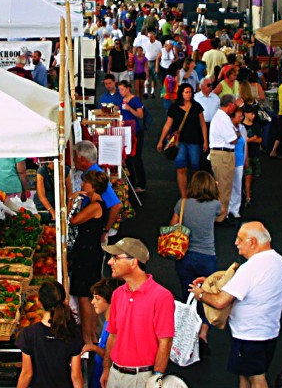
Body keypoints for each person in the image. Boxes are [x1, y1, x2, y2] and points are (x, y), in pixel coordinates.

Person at [191, 222, 282, 386]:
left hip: (249, 335)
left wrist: (200, 294)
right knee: (244, 375)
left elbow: (220, 301)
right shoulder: (278, 261)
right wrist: (210, 281)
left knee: (257, 378)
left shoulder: (250, 268)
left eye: (240, 239)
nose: (236, 243)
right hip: (268, 331)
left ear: (253, 242)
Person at [101, 238, 175, 388]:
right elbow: (112, 335)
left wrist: (156, 379)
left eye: (115, 257)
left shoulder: (162, 296)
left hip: (142, 379)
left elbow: (165, 343)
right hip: (115, 374)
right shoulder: (117, 294)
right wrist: (107, 369)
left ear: (133, 262)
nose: (110, 262)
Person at [169, 171, 222, 349]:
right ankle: (204, 332)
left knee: (188, 295)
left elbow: (172, 225)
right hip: (207, 257)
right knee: (208, 295)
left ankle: (189, 332)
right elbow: (222, 213)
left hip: (185, 256)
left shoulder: (182, 203)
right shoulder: (214, 205)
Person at [15, 280, 84, 388]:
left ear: (39, 302)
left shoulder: (28, 334)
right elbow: (76, 375)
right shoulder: (72, 333)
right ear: (64, 301)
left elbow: (27, 374)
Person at [69, 171, 111, 345]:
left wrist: (72, 198)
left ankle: (87, 336)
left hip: (86, 254)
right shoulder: (99, 204)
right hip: (91, 252)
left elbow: (73, 220)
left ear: (93, 187)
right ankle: (92, 335)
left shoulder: (94, 206)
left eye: (85, 182)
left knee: (84, 296)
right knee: (90, 294)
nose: (82, 184)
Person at [157, 83, 209, 199]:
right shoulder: (174, 108)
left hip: (195, 141)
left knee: (195, 168)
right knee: (181, 167)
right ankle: (184, 195)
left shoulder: (196, 107)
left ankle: (195, 191)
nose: (189, 94)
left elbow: (202, 124)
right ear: (181, 93)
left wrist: (205, 140)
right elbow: (167, 125)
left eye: (190, 92)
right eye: (186, 92)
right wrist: (161, 140)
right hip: (179, 142)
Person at [71, 141, 122, 238]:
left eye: (75, 157)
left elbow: (116, 205)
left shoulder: (95, 177)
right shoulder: (92, 174)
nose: (73, 159)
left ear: (82, 159)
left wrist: (106, 231)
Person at [84, 278, 126, 388]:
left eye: (97, 299)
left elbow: (112, 356)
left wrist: (93, 348)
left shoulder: (114, 327)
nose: (93, 302)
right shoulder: (107, 323)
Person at [209, 95, 240, 221]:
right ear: (231, 105)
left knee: (222, 186)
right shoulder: (223, 118)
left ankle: (221, 215)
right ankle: (221, 217)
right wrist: (236, 134)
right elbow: (233, 139)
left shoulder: (220, 117)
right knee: (224, 187)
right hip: (223, 155)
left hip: (220, 154)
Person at [117, 81, 147, 192]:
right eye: (119, 89)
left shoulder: (135, 100)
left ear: (128, 89)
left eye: (122, 89)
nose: (120, 92)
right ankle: (133, 182)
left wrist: (129, 109)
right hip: (126, 131)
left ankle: (141, 183)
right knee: (128, 157)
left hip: (136, 132)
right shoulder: (122, 100)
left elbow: (140, 115)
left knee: (136, 157)